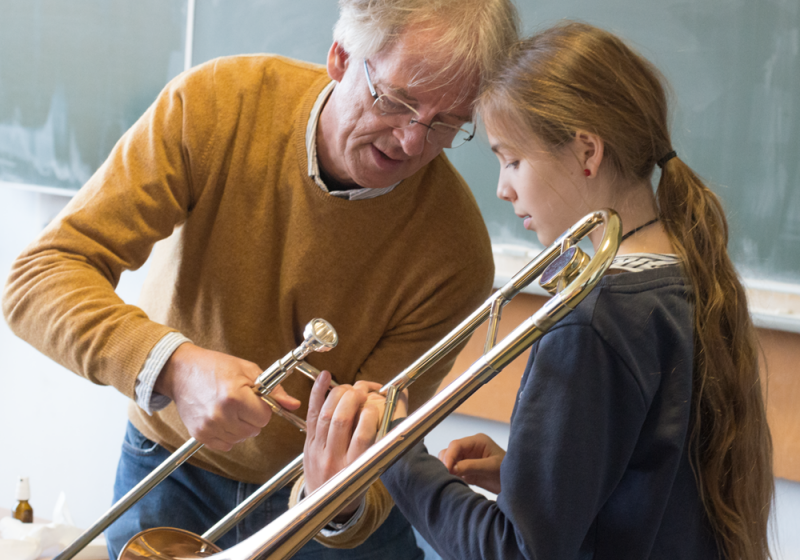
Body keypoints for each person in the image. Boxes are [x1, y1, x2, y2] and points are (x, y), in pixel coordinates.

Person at [1, 1, 520, 558]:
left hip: (319, 505)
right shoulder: (217, 104)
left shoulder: (457, 252)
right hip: (171, 467)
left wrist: (339, 497)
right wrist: (173, 366)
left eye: (446, 123)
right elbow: (38, 279)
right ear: (341, 58)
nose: (413, 142)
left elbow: (381, 450)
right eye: (397, 101)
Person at [300, 21, 774, 560]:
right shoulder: (679, 278)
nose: (503, 189)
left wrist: (393, 453)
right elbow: (655, 486)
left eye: (512, 160)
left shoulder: (592, 321)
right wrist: (534, 477)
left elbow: (516, 553)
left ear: (586, 152)